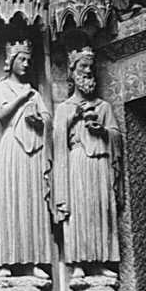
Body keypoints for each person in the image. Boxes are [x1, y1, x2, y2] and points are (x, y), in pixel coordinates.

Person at [53, 47, 122, 278]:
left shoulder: (104, 107)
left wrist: (103, 131)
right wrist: (74, 117)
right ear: (72, 72)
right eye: (83, 66)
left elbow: (116, 135)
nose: (88, 71)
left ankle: (100, 261)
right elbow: (57, 139)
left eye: (91, 67)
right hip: (78, 161)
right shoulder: (65, 108)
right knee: (79, 212)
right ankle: (79, 263)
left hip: (100, 162)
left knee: (100, 210)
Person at [0, 41, 51, 279]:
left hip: (33, 150)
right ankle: (7, 261)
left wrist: (40, 120)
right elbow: (1, 113)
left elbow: (47, 119)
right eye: (21, 59)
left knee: (32, 204)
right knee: (11, 202)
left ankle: (35, 260)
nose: (26, 64)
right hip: (12, 148)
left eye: (28, 60)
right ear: (11, 61)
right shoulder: (0, 88)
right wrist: (22, 98)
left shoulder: (35, 93)